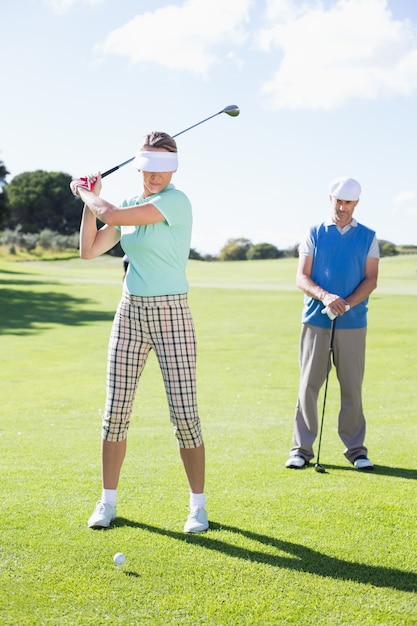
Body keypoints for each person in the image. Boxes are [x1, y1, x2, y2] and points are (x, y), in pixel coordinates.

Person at [70, 131, 208, 533]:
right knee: (115, 413)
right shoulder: (128, 204)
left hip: (172, 314)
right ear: (139, 167)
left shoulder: (175, 201)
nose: (154, 178)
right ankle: (107, 502)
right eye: (148, 169)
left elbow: (110, 215)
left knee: (185, 415)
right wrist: (92, 198)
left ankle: (197, 506)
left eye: (162, 170)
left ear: (175, 169)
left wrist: (85, 193)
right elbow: (90, 248)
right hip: (130, 313)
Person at [285, 177, 379, 471]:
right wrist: (326, 297)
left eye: (348, 202)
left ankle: (356, 450)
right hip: (316, 318)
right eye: (338, 201)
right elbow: (302, 277)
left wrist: (346, 303)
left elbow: (371, 279)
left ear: (356, 203)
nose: (342, 207)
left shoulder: (368, 236)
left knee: (352, 386)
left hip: (352, 321)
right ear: (330, 200)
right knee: (308, 385)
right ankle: (301, 449)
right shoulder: (314, 232)